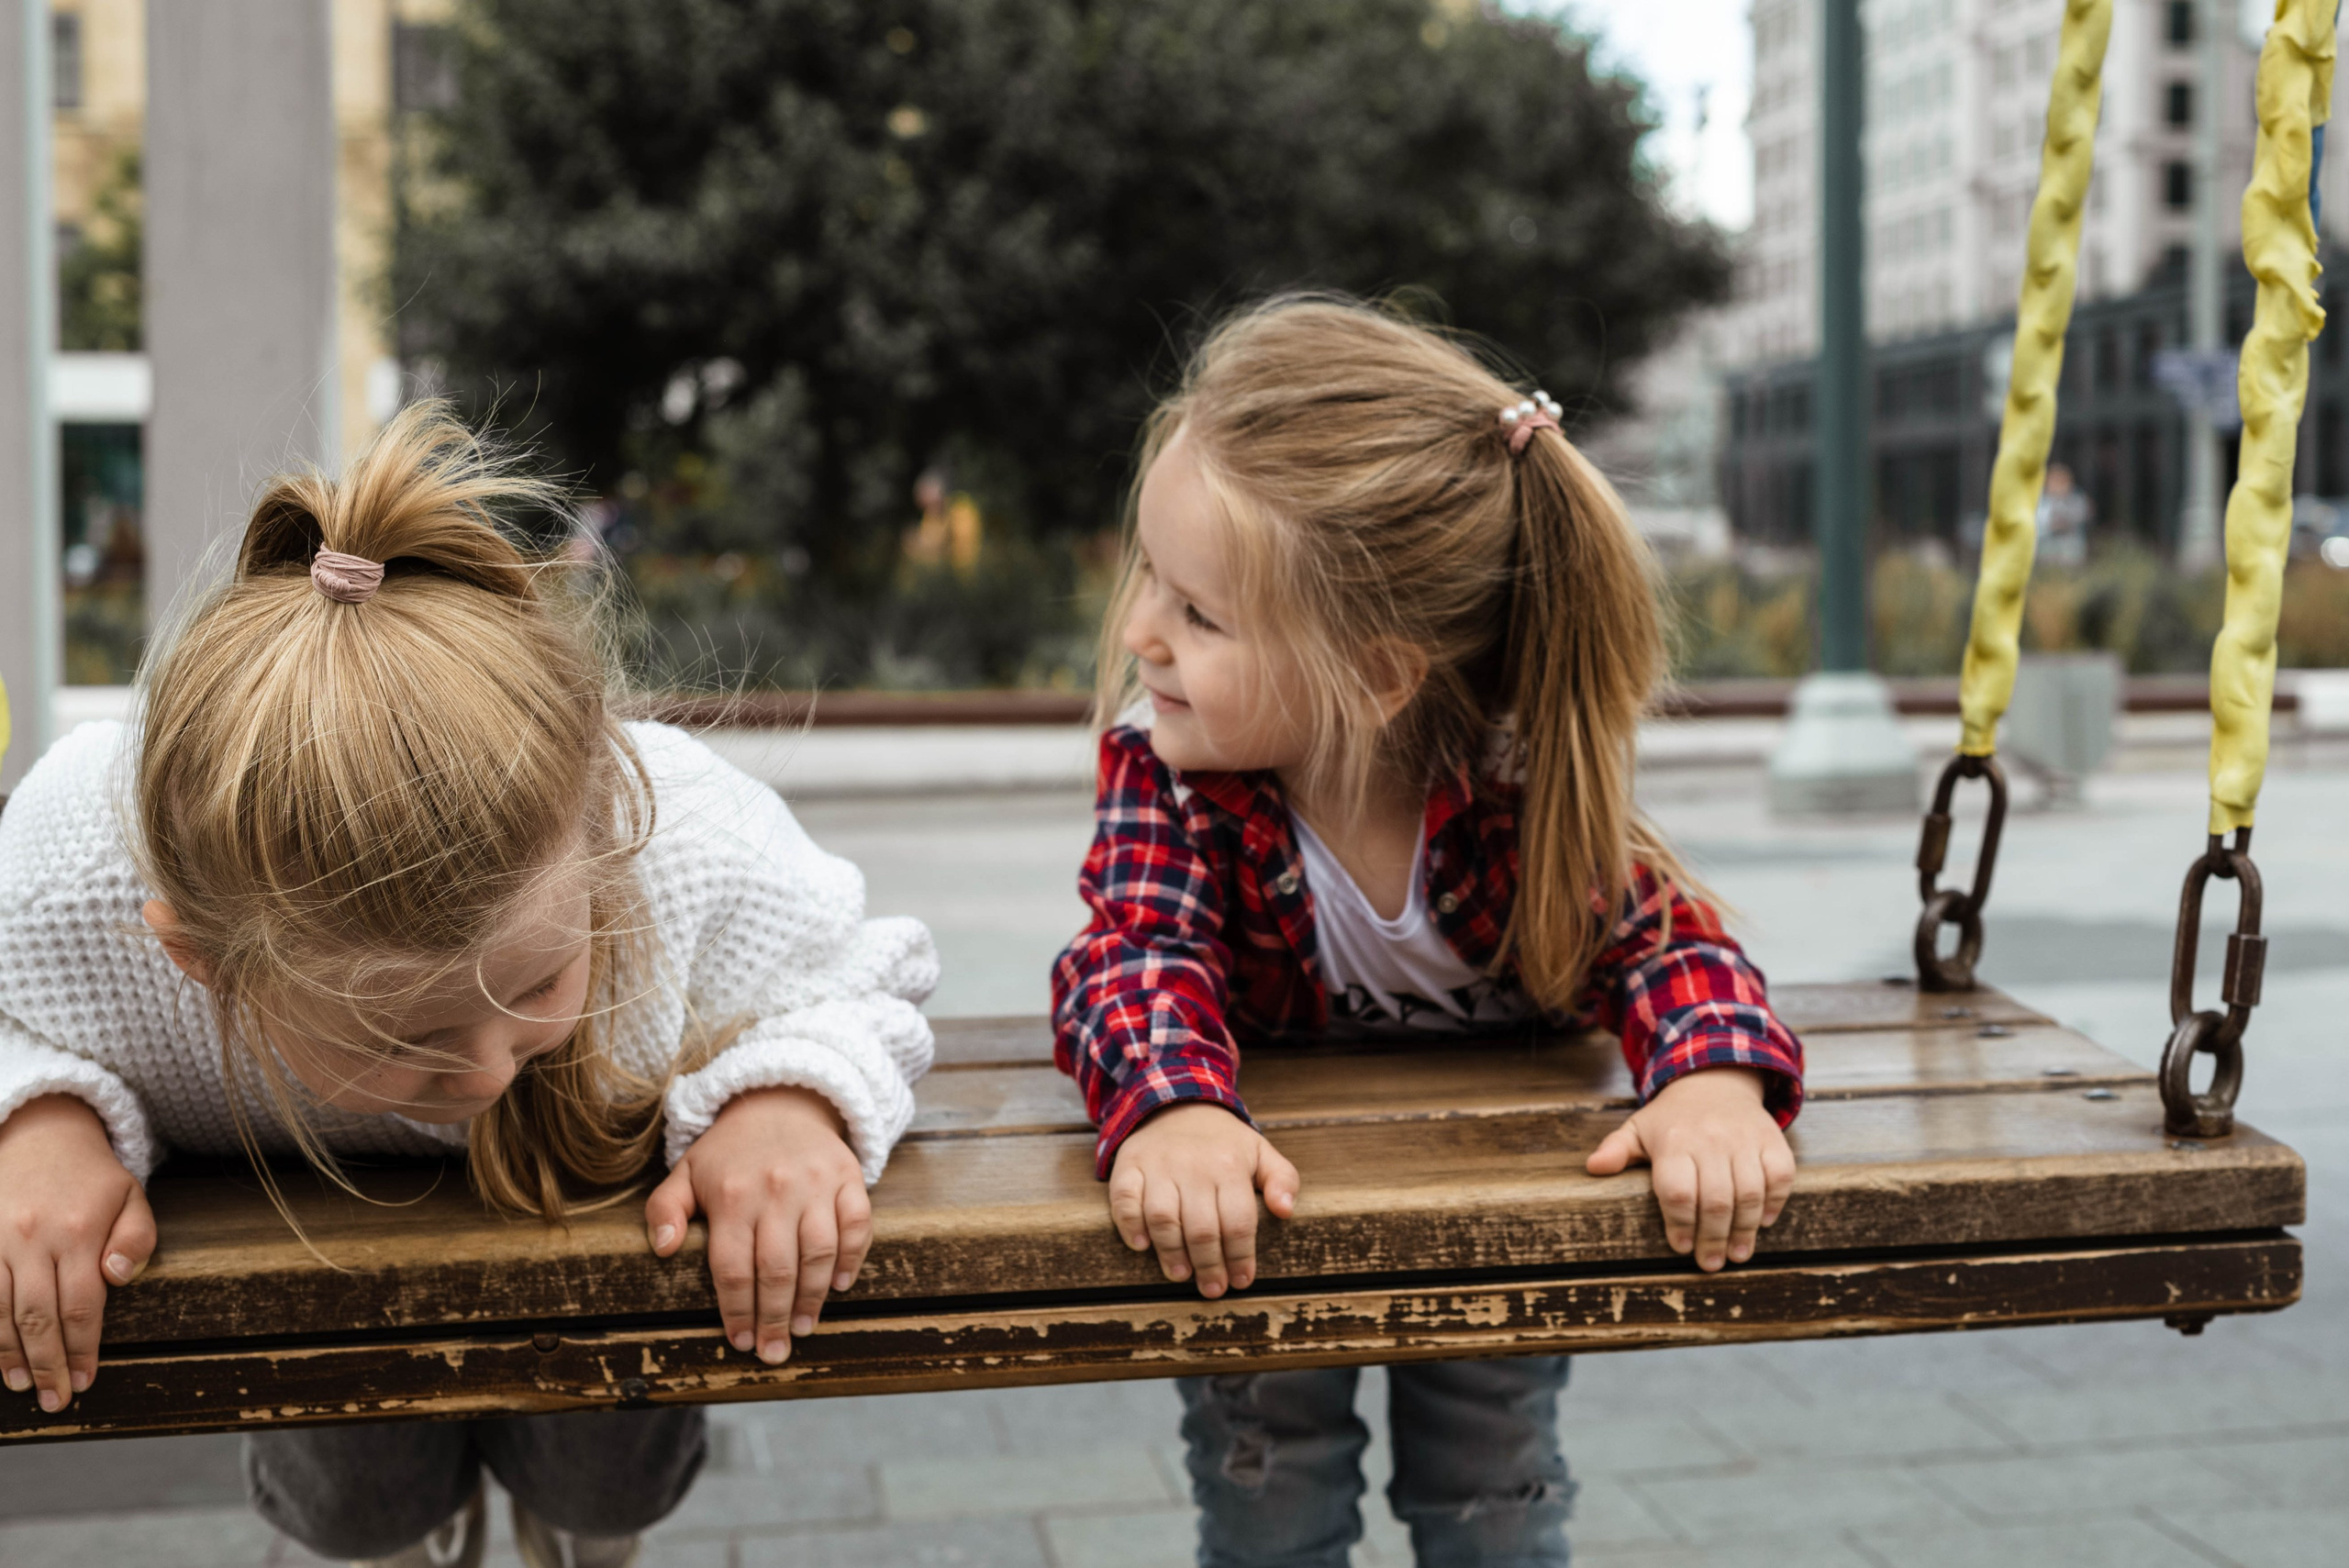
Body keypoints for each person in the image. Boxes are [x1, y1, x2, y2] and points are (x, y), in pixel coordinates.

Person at [0, 405, 937, 1568]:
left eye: (542, 977)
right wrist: (38, 1114)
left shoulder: (685, 834)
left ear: (600, 820)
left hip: (590, 1238)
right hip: (316, 1266)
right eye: (408, 1033)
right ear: (198, 955)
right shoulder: (71, 868)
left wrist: (787, 1099)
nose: (488, 1065)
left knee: (603, 1477)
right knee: (356, 1500)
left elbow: (862, 970)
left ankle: (587, 1529)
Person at [1052, 296, 1805, 1568]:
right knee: (1268, 1491)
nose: (1141, 635)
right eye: (1150, 580)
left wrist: (1713, 1085)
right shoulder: (1173, 775)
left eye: (1200, 614)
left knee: (1491, 1485)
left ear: (1378, 673)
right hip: (1269, 1205)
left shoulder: (1516, 784)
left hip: (1486, 1197)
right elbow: (1132, 954)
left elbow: (1673, 946)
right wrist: (1175, 1106)